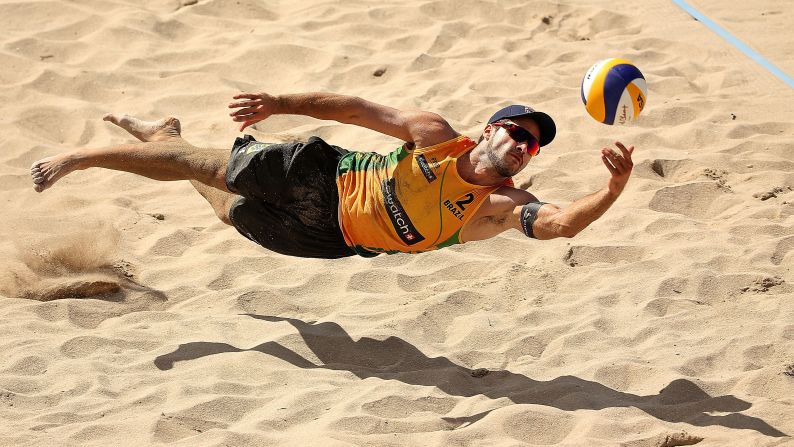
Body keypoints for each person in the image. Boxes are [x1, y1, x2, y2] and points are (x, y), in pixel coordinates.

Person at [29, 92, 634, 258]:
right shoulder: (436, 136)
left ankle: (163, 137)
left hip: (332, 241)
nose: (524, 146)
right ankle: (80, 159)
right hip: (324, 177)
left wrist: (610, 190)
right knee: (206, 167)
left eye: (533, 146)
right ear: (491, 130)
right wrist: (278, 104)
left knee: (224, 208)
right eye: (519, 132)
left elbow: (558, 225)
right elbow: (356, 111)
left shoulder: (498, 206)